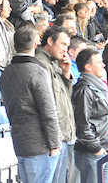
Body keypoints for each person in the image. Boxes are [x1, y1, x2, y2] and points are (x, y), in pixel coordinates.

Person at [0, 25, 63, 183]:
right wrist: (55, 144)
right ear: (36, 43)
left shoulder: (6, 73)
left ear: (15, 46)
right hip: (40, 144)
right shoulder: (38, 71)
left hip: (20, 141)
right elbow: (48, 111)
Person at [36, 27, 76, 183]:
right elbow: (47, 104)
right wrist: (53, 142)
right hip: (53, 139)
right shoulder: (41, 64)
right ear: (50, 41)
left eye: (67, 46)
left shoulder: (54, 64)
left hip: (61, 136)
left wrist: (66, 74)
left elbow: (64, 98)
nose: (65, 49)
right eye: (63, 44)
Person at [71, 48, 108, 183]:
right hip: (92, 153)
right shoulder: (84, 89)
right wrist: (97, 148)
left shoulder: (97, 87)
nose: (103, 65)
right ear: (88, 67)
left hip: (103, 149)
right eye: (99, 62)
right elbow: (83, 125)